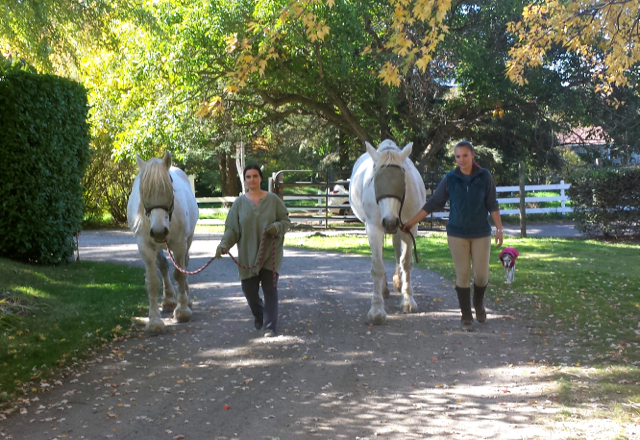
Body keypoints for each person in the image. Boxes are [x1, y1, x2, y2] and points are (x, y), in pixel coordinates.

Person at [402, 141, 503, 331]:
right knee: (462, 275)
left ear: (472, 155)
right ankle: (466, 316)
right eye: (458, 157)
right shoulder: (450, 179)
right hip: (457, 233)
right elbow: (433, 203)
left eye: (465, 156)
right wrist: (411, 222)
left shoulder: (485, 176)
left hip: (481, 232)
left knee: (481, 276)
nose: (461, 160)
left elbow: (492, 204)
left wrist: (499, 228)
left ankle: (478, 303)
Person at [215, 164, 291, 337]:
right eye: (248, 177)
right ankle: (260, 314)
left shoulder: (273, 200)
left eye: (255, 176)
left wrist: (276, 227)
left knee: (270, 289)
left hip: (271, 254)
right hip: (248, 256)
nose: (252, 180)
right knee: (249, 291)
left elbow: (286, 222)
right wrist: (224, 244)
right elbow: (232, 229)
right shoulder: (239, 204)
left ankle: (270, 327)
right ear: (245, 180)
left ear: (261, 178)